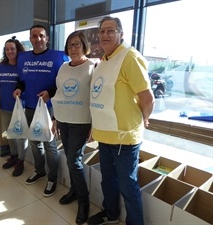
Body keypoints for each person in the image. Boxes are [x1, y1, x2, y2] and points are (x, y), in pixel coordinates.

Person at [87, 16, 154, 225]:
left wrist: (144, 118)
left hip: (125, 137)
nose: (105, 35)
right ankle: (112, 214)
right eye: (102, 31)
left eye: (111, 31)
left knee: (127, 184)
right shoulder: (103, 62)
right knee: (108, 179)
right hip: (105, 135)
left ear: (121, 34)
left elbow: (147, 98)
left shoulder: (129, 57)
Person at [13, 24, 68, 197]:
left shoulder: (59, 57)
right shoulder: (23, 58)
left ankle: (52, 178)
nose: (38, 39)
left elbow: (63, 82)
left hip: (49, 108)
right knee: (34, 141)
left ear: (47, 38)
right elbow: (22, 80)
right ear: (30, 39)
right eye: (34, 36)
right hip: (29, 106)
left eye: (41, 36)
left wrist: (50, 93)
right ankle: (39, 170)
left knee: (49, 144)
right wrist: (19, 89)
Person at [51, 31, 95, 224]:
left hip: (81, 121)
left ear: (84, 46)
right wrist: (55, 118)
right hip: (63, 119)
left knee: (74, 160)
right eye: (70, 45)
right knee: (70, 158)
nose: (73, 48)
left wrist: (95, 124)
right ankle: (74, 191)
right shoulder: (62, 67)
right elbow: (59, 93)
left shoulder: (93, 67)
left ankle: (84, 202)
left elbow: (96, 97)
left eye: (77, 44)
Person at [0, 36, 28, 177]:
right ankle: (13, 156)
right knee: (10, 134)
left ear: (17, 49)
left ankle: (21, 161)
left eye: (12, 48)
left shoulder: (23, 66)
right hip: (5, 106)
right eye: (7, 49)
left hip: (21, 107)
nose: (9, 51)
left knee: (20, 136)